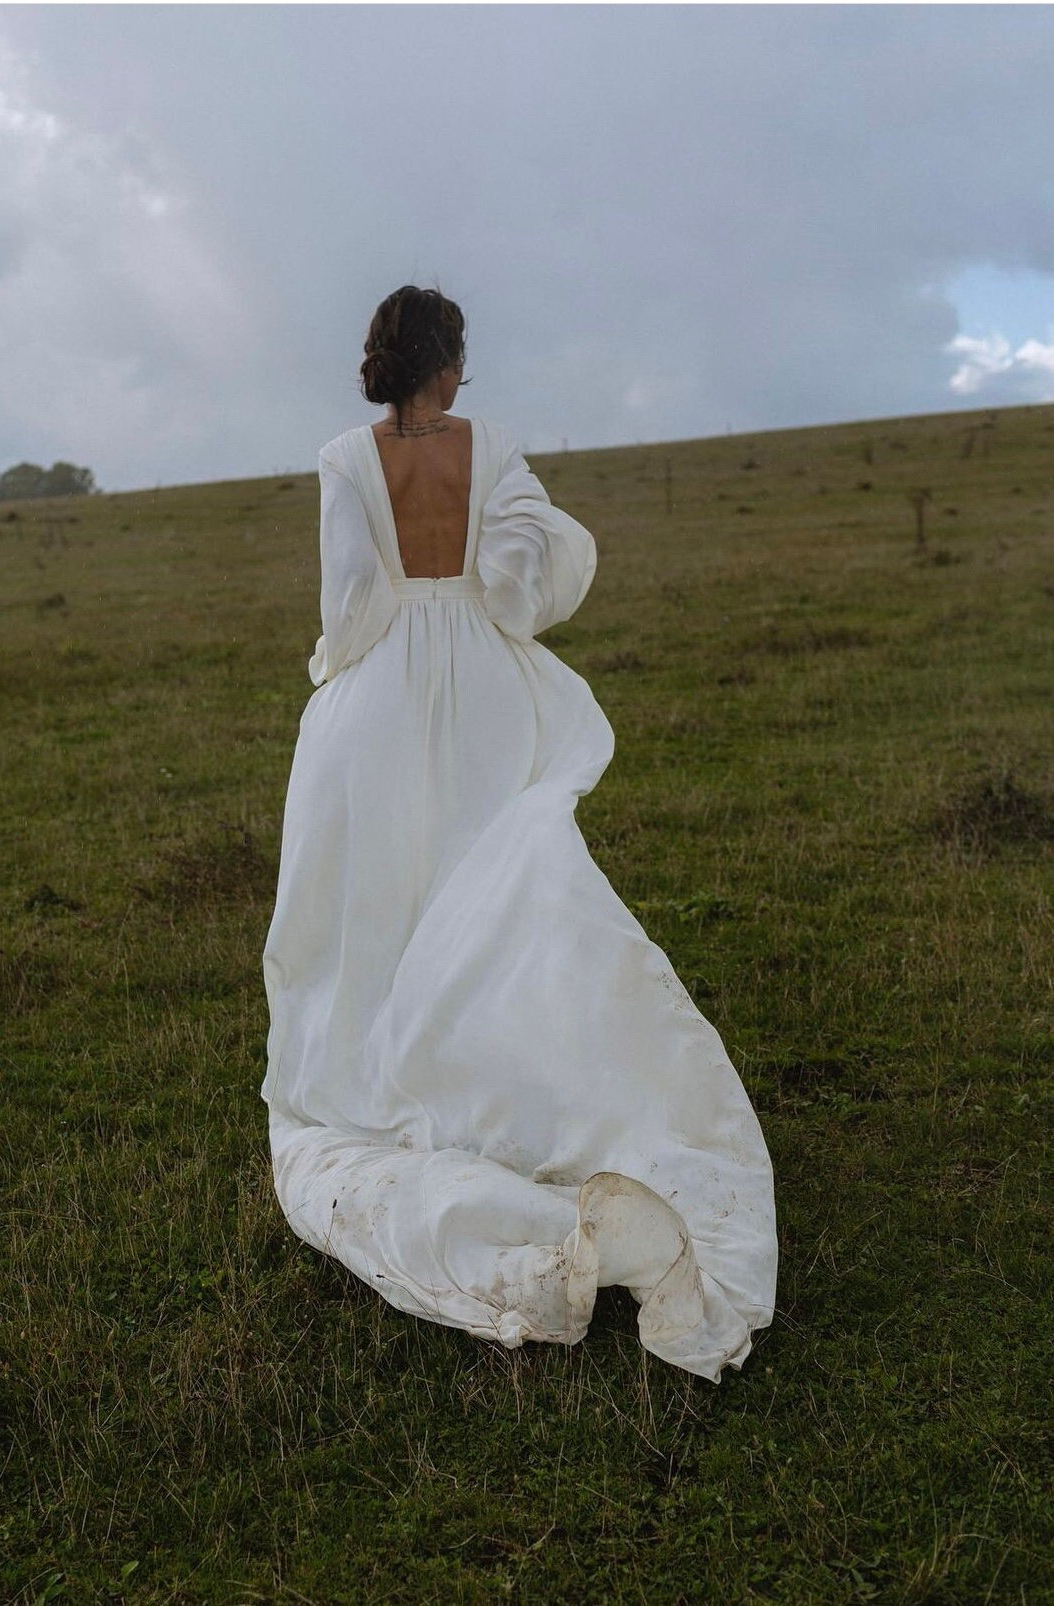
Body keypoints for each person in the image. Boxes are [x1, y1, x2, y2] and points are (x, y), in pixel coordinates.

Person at [260, 284, 778, 1382]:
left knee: (385, 892)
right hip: (486, 691)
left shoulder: (344, 458)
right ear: (445, 363)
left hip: (385, 696)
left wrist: (341, 673)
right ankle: (517, 1067)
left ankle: (404, 1061)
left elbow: (349, 599)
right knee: (499, 882)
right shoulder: (490, 446)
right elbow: (521, 575)